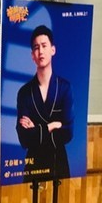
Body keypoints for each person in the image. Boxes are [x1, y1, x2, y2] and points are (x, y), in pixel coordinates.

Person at [16, 24, 73, 180]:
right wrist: (52, 125)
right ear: (32, 55)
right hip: (34, 164)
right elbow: (24, 138)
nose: (40, 51)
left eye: (44, 46)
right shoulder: (25, 93)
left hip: (58, 163)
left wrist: (36, 130)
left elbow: (68, 132)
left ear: (53, 50)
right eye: (36, 47)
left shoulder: (64, 88)